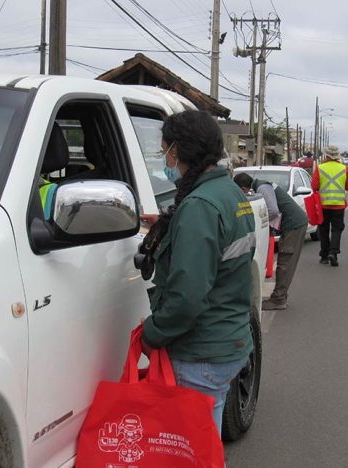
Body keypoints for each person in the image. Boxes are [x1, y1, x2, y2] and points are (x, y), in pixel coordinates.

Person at [139, 110, 255, 436]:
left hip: (200, 352)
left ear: (178, 151)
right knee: (205, 441)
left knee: (189, 445)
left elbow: (186, 298)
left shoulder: (200, 207)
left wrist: (152, 333)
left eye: (165, 152)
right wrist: (170, 224)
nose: (165, 160)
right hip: (228, 341)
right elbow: (225, 254)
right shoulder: (231, 193)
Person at [233, 172, 308, 310]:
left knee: (285, 261)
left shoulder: (262, 187)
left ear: (243, 188)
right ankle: (280, 297)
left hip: (294, 224)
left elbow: (273, 210)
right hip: (291, 223)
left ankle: (279, 299)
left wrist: (262, 224)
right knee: (284, 261)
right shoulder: (260, 186)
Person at [311, 145, 348, 266]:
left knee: (323, 230)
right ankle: (333, 253)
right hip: (339, 206)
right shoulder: (344, 168)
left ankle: (324, 256)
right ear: (337, 156)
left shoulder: (320, 168)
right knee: (337, 229)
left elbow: (314, 187)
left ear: (326, 155)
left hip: (323, 206)